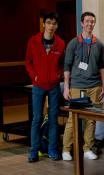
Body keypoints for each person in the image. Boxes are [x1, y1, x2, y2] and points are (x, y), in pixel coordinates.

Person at [62, 12, 104, 161]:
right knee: (72, 118)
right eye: (87, 21)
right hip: (77, 86)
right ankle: (66, 149)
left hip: (94, 86)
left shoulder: (99, 44)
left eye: (92, 22)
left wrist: (103, 85)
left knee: (91, 119)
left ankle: (87, 148)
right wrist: (67, 87)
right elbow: (67, 66)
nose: (89, 24)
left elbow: (102, 66)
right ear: (82, 23)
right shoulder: (73, 43)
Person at [25, 12, 65, 162]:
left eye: (54, 23)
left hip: (54, 86)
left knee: (54, 118)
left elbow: (62, 63)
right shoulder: (33, 41)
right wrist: (34, 76)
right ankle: (34, 150)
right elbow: (28, 62)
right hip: (38, 85)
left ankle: (52, 149)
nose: (51, 26)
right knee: (37, 118)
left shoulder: (60, 43)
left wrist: (58, 75)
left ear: (56, 26)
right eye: (48, 23)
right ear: (44, 24)